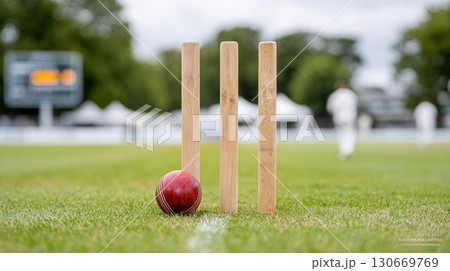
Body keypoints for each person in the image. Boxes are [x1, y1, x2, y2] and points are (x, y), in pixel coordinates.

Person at [326, 82, 358, 160]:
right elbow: (355, 104)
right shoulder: (351, 94)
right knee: (349, 133)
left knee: (341, 134)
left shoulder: (334, 95)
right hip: (350, 117)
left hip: (339, 117)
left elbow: (330, 108)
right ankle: (348, 149)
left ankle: (343, 151)